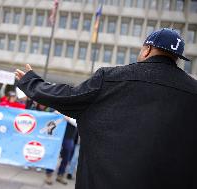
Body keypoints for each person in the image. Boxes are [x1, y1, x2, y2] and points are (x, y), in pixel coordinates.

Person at [15, 28, 197, 189]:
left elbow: (65, 96)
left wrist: (31, 82)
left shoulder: (110, 79)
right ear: (177, 58)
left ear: (147, 49)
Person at [45, 116, 78, 185]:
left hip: (69, 136)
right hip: (57, 134)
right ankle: (49, 174)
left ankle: (60, 175)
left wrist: (68, 118)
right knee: (53, 155)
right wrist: (56, 113)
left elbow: (77, 123)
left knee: (66, 157)